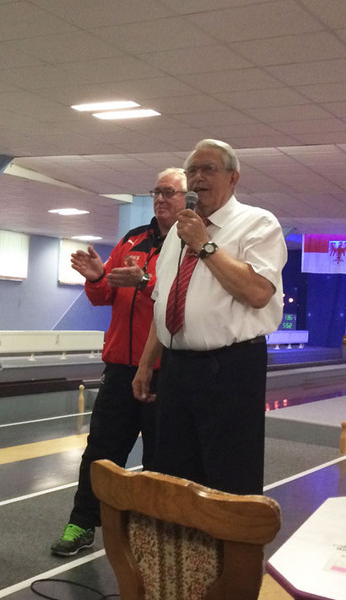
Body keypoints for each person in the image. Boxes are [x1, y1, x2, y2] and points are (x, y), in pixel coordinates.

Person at [133, 139, 286, 495]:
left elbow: (258, 293)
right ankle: (182, 534)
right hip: (176, 368)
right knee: (175, 474)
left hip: (230, 368)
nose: (198, 177)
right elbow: (164, 303)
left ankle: (229, 534)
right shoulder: (178, 233)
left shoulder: (258, 223)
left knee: (228, 476)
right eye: (192, 171)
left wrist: (205, 245)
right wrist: (146, 364)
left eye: (208, 169)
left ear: (233, 178)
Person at [50, 168, 186, 557]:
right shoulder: (132, 239)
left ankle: (156, 533)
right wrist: (97, 278)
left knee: (161, 459)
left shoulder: (187, 245)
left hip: (162, 372)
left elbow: (179, 300)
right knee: (100, 453)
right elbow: (104, 296)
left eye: (170, 192)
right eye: (157, 191)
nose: (161, 198)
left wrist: (143, 282)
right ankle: (82, 523)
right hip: (119, 369)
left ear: (187, 199)